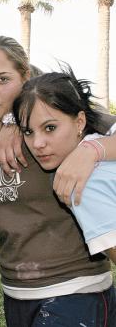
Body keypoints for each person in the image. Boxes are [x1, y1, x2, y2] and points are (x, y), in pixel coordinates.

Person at [0, 35, 116, 326]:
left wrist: (91, 149)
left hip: (75, 292)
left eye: (2, 79)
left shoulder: (54, 121)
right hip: (17, 296)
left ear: (25, 76)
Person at [13, 67, 116, 264]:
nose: (38, 144)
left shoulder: (82, 180)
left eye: (50, 128)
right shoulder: (103, 146)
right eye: (28, 132)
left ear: (79, 122)